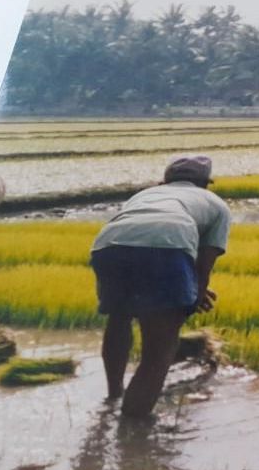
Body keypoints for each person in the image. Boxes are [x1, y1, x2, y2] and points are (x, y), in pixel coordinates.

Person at [89, 155, 231, 418]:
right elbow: (204, 265)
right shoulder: (216, 205)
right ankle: (132, 434)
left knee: (119, 318)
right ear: (205, 184)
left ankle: (114, 395)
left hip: (107, 248)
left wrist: (188, 289)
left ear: (165, 180)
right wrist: (192, 297)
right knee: (159, 351)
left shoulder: (145, 195)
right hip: (167, 249)